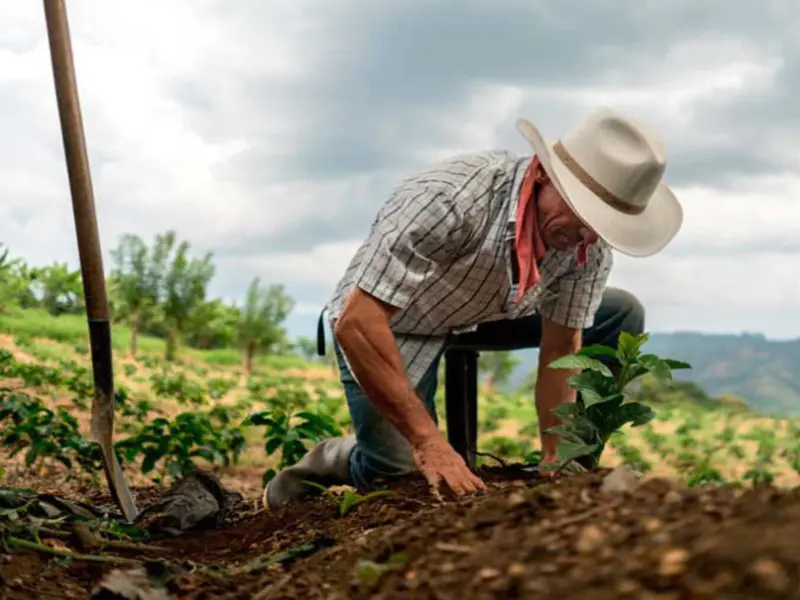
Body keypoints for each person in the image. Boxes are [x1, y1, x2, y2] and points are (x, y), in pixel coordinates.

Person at [262, 106, 684, 511]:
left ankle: (575, 469)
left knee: (620, 312)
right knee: (396, 472)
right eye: (583, 215)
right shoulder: (449, 199)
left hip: (489, 311)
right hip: (395, 321)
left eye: (602, 224)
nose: (587, 237)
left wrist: (557, 457)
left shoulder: (587, 246)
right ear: (541, 175)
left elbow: (562, 350)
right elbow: (357, 321)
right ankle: (334, 458)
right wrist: (428, 441)